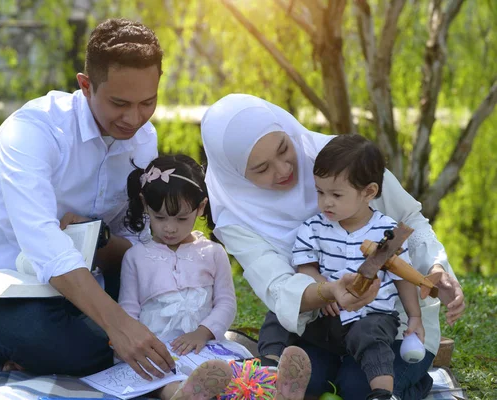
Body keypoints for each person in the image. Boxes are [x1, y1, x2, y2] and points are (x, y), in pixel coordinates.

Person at [0, 18, 176, 379]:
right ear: (85, 85)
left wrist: (102, 240)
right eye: (119, 103)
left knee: (166, 301)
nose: (134, 118)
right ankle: (84, 348)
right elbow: (44, 244)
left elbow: (133, 243)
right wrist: (118, 324)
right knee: (49, 333)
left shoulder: (143, 139)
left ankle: (75, 350)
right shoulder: (32, 130)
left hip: (80, 294)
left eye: (148, 102)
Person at [200, 94, 466, 399]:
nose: (284, 168)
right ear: (236, 174)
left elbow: (409, 221)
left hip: (392, 320)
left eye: (284, 148)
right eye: (262, 169)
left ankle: (416, 384)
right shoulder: (235, 218)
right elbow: (277, 286)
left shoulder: (343, 160)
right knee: (303, 386)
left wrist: (435, 268)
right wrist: (328, 290)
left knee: (358, 388)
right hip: (318, 328)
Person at [119, 154, 312, 400]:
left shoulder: (212, 252)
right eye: (160, 217)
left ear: (200, 208)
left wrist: (203, 333)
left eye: (181, 219)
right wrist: (135, 346)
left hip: (206, 346)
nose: (169, 228)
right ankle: (183, 395)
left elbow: (226, 303)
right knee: (159, 376)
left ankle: (278, 389)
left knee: (236, 372)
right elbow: (128, 310)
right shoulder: (135, 257)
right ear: (145, 204)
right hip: (158, 349)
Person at [291, 134, 425, 400]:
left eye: (336, 194)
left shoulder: (386, 231)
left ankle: (382, 394)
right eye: (320, 192)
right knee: (309, 365)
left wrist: (415, 316)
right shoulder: (313, 227)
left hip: (372, 318)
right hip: (329, 318)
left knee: (369, 342)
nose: (326, 202)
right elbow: (304, 265)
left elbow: (402, 277)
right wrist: (323, 288)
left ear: (369, 192)